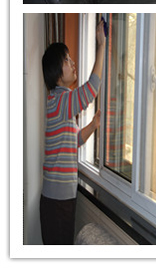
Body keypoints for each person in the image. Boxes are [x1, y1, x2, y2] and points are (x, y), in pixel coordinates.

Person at [39, 20, 106, 244]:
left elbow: (75, 140)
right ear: (57, 73)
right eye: (67, 60)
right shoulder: (61, 100)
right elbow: (91, 89)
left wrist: (93, 125)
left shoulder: (59, 102)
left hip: (61, 198)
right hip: (57, 201)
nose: (73, 62)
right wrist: (101, 46)